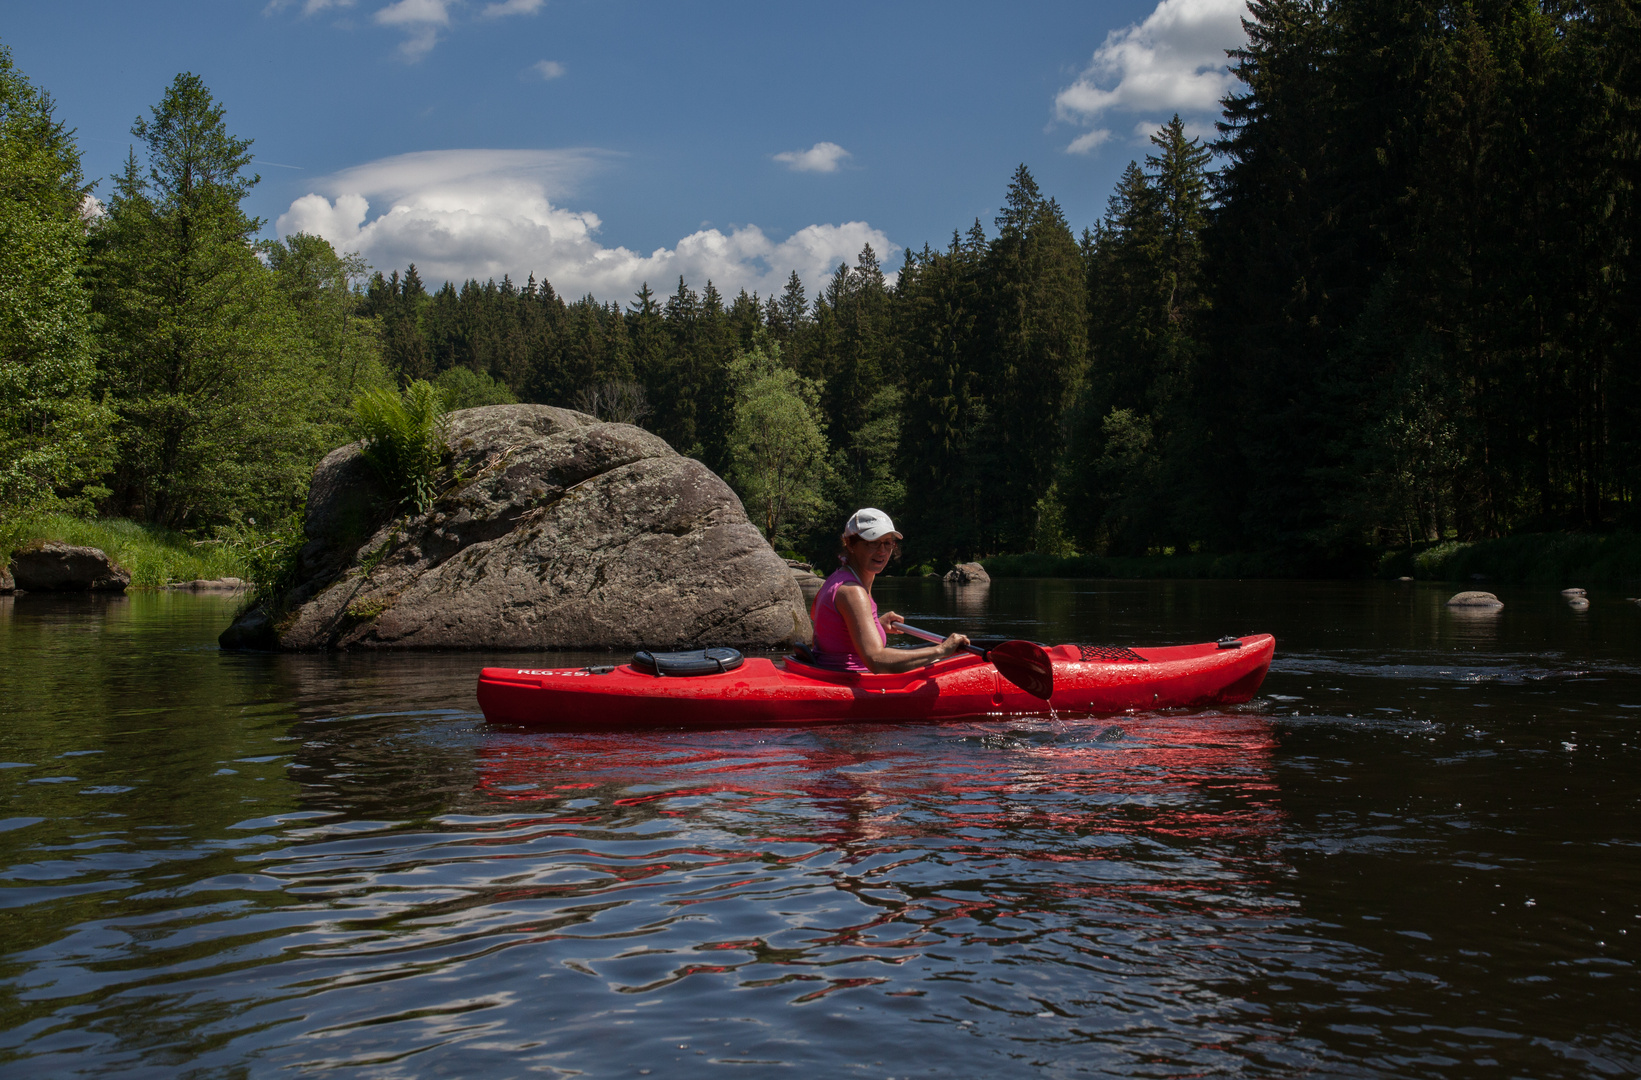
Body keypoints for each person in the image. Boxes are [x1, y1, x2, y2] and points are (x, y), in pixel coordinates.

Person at [809, 508, 970, 673]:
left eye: (887, 543)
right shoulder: (852, 591)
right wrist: (942, 650)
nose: (882, 551)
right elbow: (877, 660)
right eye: (873, 542)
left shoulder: (837, 579)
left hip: (836, 673)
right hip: (852, 682)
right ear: (850, 544)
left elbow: (834, 630)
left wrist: (875, 624)